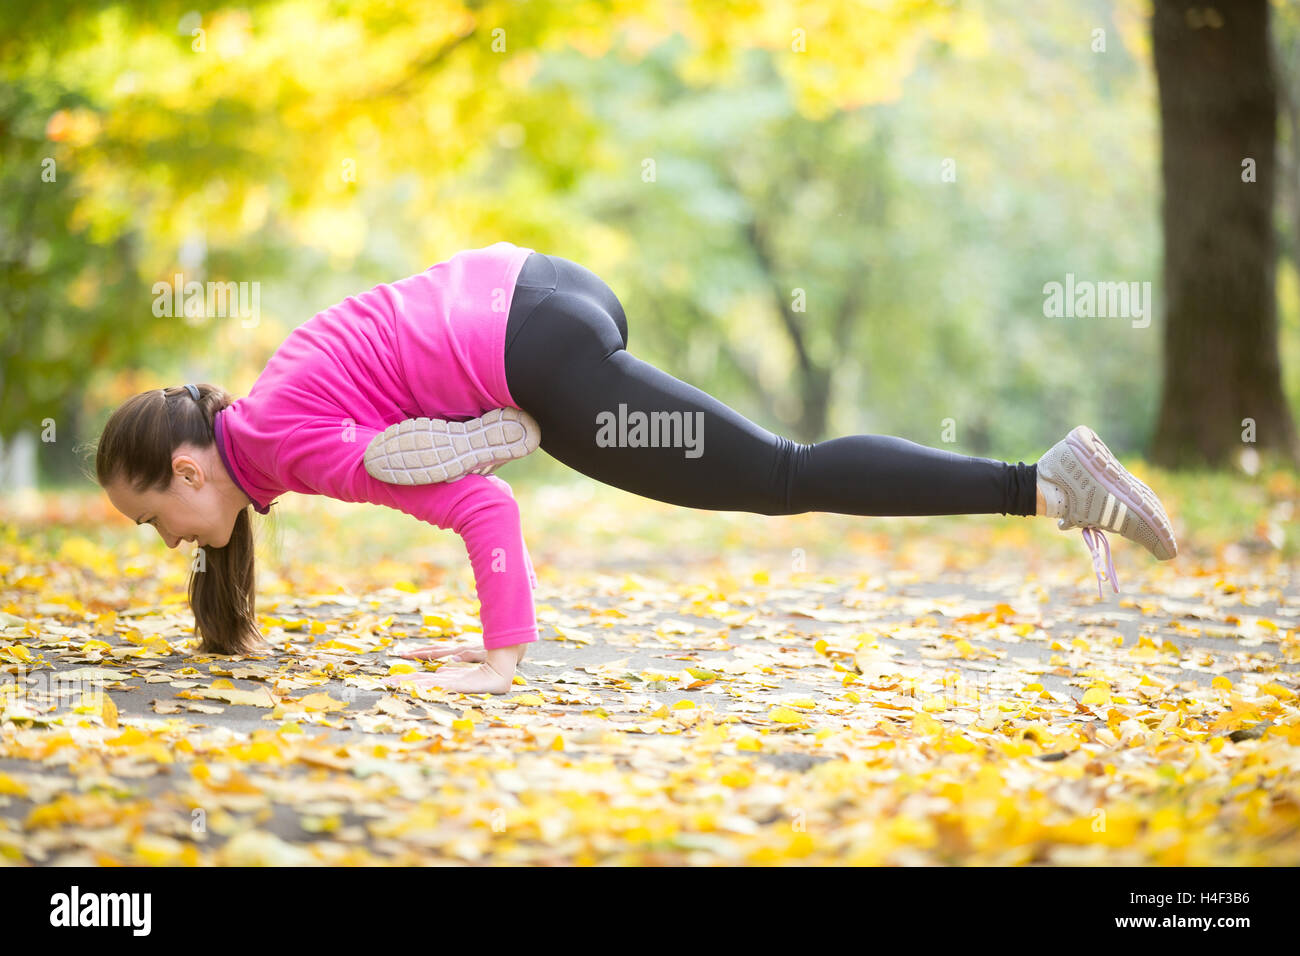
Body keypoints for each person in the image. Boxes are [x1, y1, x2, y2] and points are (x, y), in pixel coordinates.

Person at [94, 241, 1177, 695]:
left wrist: (500, 658)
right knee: (776, 470)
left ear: (189, 470)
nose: (167, 540)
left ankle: (1047, 481)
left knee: (781, 474)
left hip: (534, 353)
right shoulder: (273, 407)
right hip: (544, 298)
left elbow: (482, 503)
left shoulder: (278, 442)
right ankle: (1045, 485)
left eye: (152, 518)